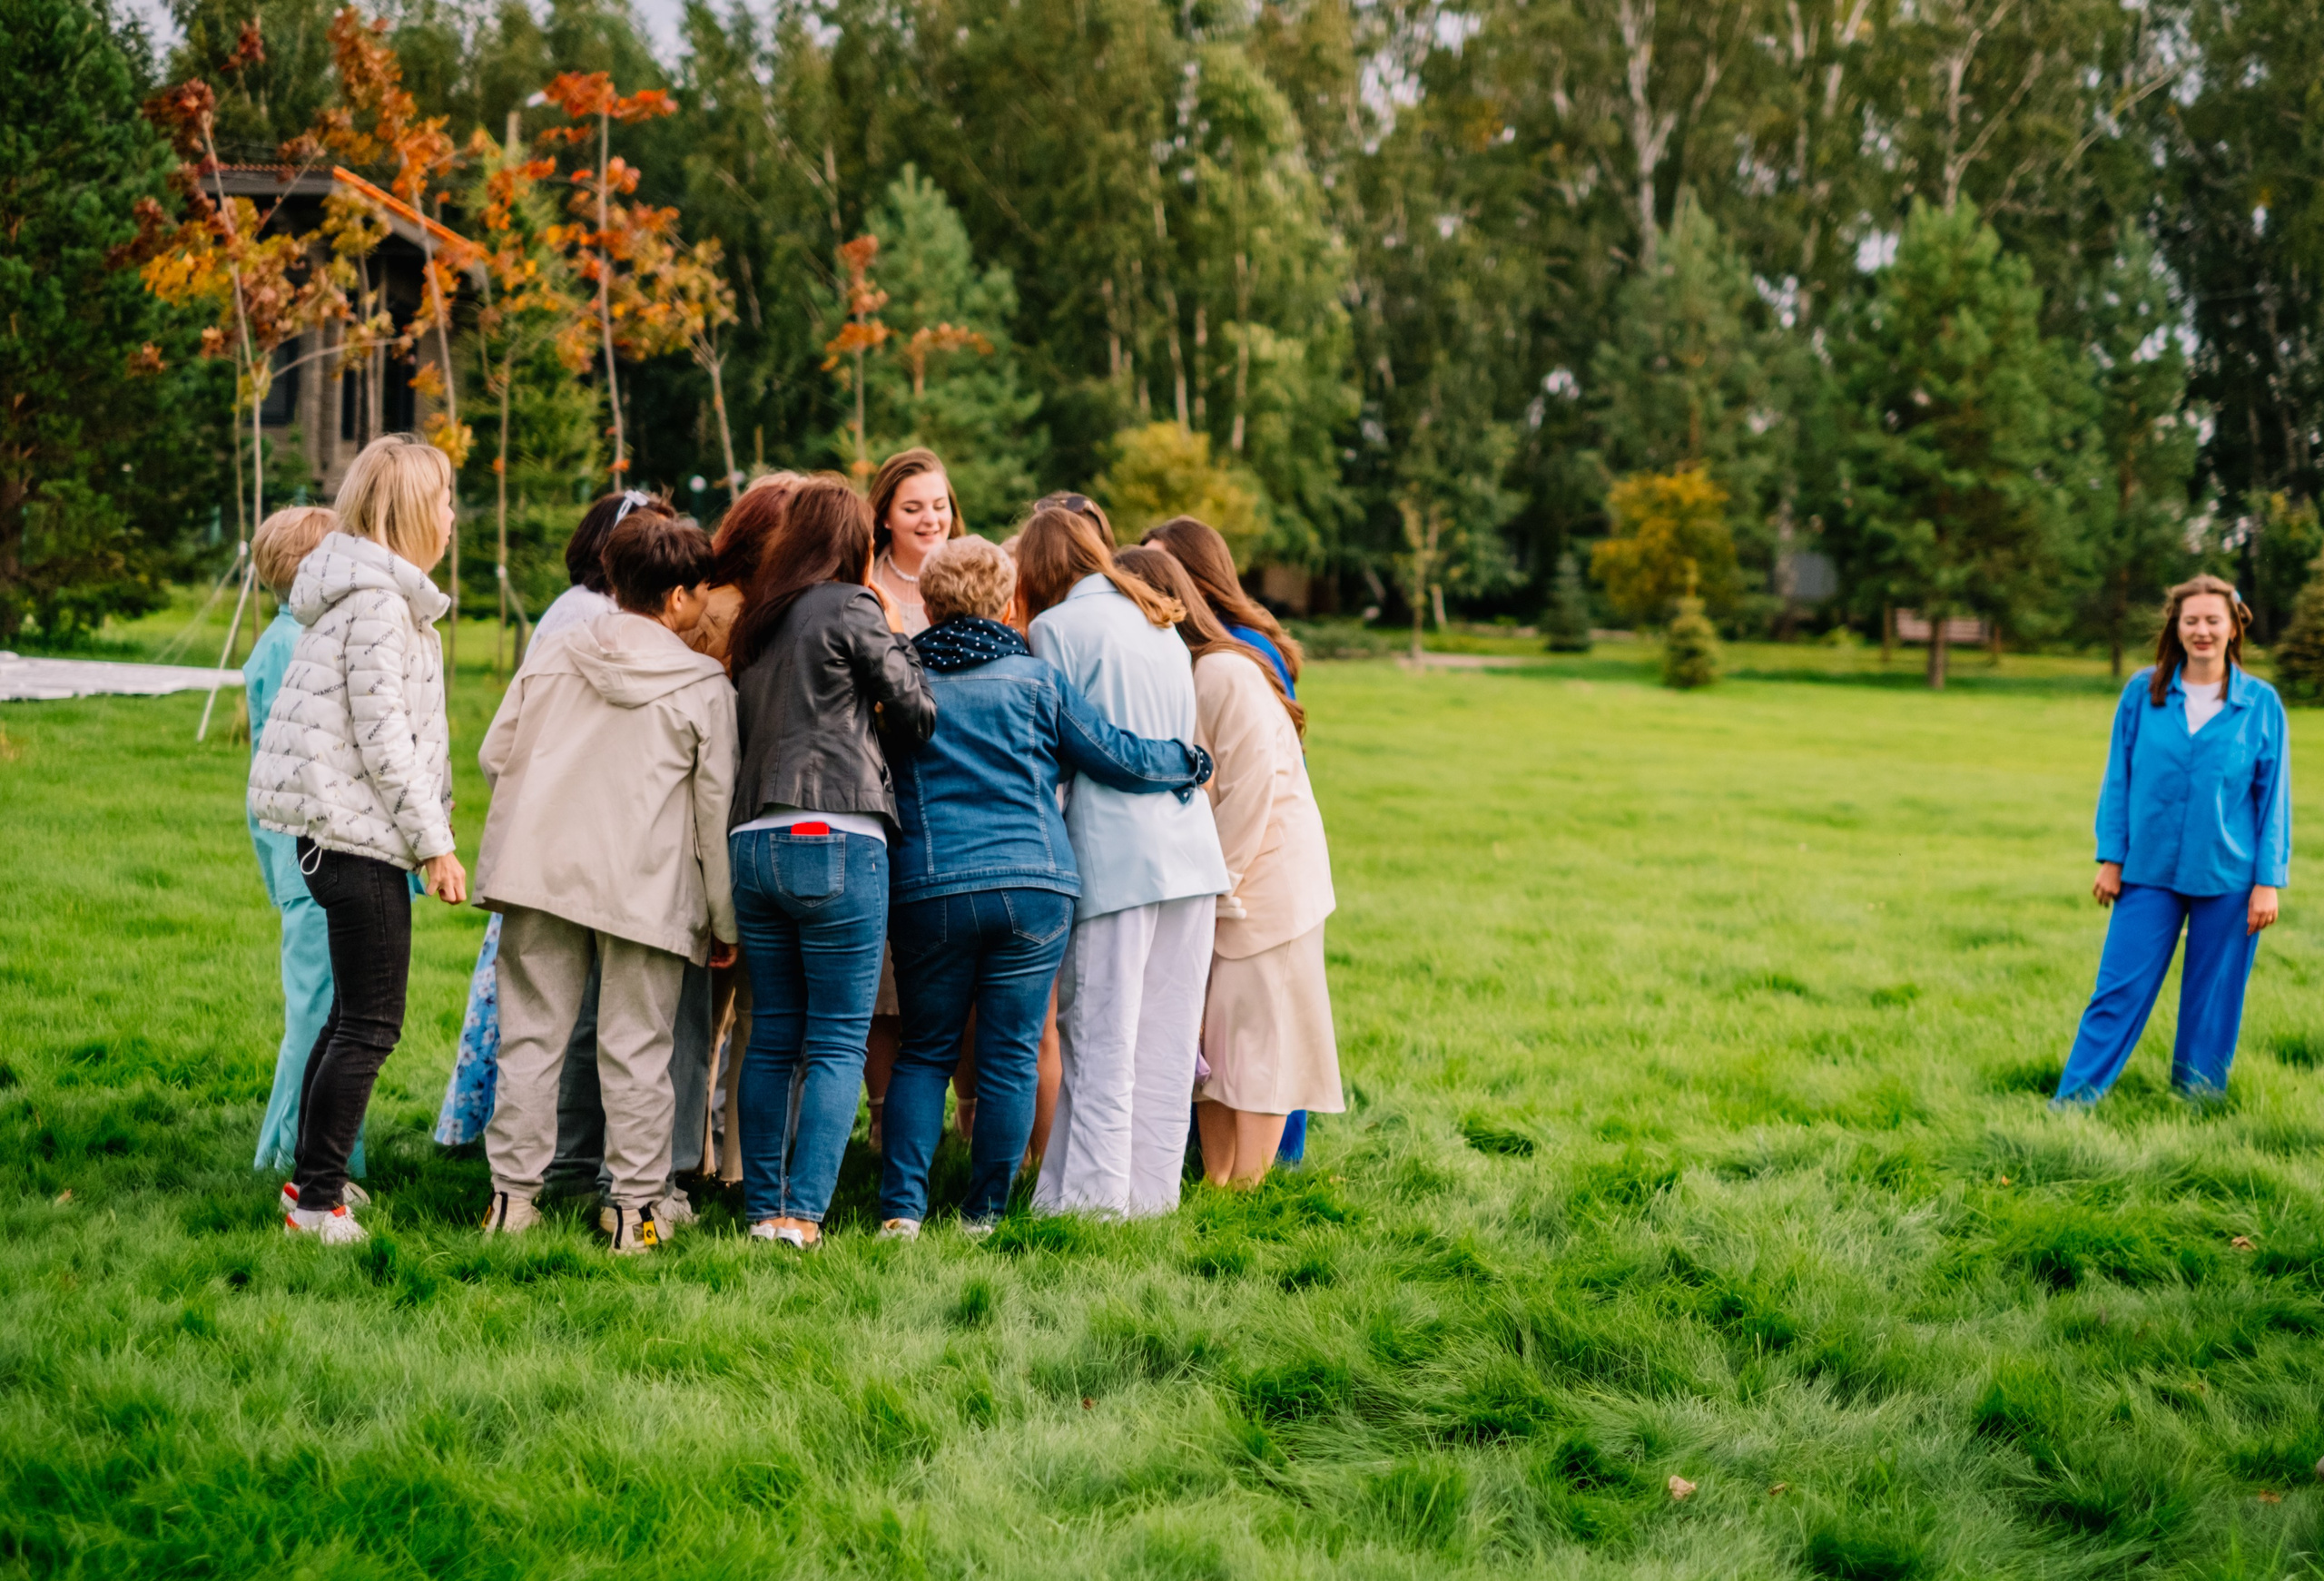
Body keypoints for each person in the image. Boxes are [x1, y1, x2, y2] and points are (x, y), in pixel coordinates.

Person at [879, 535, 1213, 1235]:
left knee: (927, 1049)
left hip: (931, 886)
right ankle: (985, 1214)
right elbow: (1111, 755)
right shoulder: (1035, 678)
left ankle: (903, 1213)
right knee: (1009, 1056)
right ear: (1006, 603)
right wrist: (1184, 758)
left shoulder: (901, 679)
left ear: (930, 604)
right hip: (1034, 885)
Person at [472, 513, 739, 1252]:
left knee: (528, 1042)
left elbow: (498, 756)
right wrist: (726, 921)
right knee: (638, 1051)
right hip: (646, 889)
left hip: (540, 874)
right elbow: (714, 814)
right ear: (681, 597)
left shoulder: (553, 652)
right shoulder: (703, 683)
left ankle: (510, 1202)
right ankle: (635, 1211)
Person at [250, 434, 468, 1243]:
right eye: (445, 501)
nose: (452, 517)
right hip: (358, 841)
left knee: (347, 1016)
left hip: (345, 838)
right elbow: (385, 744)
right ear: (413, 510)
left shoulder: (373, 600)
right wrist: (435, 844)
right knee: (373, 1024)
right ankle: (316, 1203)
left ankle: (315, 1177)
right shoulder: (377, 607)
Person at [436, 489, 683, 1151]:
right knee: (564, 1023)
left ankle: (514, 1180)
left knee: (529, 1025)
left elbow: (497, 748)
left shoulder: (574, 611)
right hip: (586, 847)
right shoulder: (590, 619)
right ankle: (614, 1184)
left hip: (545, 849)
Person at [727, 475, 936, 1248]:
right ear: (854, 541)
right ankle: (802, 1215)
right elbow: (917, 710)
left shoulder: (757, 617)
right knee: (839, 1039)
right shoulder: (851, 606)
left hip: (753, 841)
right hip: (835, 834)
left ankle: (760, 1210)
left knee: (775, 1033)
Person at [1018, 497, 1228, 1218]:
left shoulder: (1054, 628)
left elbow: (1057, 745)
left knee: (1103, 1034)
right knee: (1166, 1045)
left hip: (1116, 854)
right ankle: (1149, 1198)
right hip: (1191, 850)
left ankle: (1096, 1205)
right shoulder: (1157, 617)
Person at [1117, 547, 1341, 1187]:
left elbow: (1251, 793)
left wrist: (1218, 888)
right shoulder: (1189, 671)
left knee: (1264, 1047)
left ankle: (1249, 1187)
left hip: (1267, 887)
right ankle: (1218, 1182)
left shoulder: (1223, 672)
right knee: (1217, 1047)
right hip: (1222, 888)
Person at [2056, 574, 2290, 1106]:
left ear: (2233, 627)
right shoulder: (2143, 692)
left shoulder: (2261, 703)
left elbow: (2273, 797)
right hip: (2148, 871)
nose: (2202, 631)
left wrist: (2267, 882)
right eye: (2192, 621)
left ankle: (2197, 1105)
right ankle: (2072, 1102)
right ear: (2176, 628)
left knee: (2213, 1001)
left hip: (2228, 876)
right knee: (2117, 991)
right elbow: (2120, 777)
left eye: (2213, 620)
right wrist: (2111, 858)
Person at [244, 504, 369, 1194]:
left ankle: (302, 1147)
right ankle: (299, 1154)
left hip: (303, 856)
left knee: (326, 1010)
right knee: (321, 1014)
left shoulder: (288, 638)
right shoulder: (297, 646)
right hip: (313, 859)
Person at [861, 449, 970, 1148]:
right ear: (885, 517)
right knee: (883, 977)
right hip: (883, 785)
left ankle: (965, 1121)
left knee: (954, 972)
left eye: (938, 504)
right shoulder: (866, 587)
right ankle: (882, 1125)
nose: (930, 518)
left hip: (958, 788)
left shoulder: (976, 575)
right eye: (912, 508)